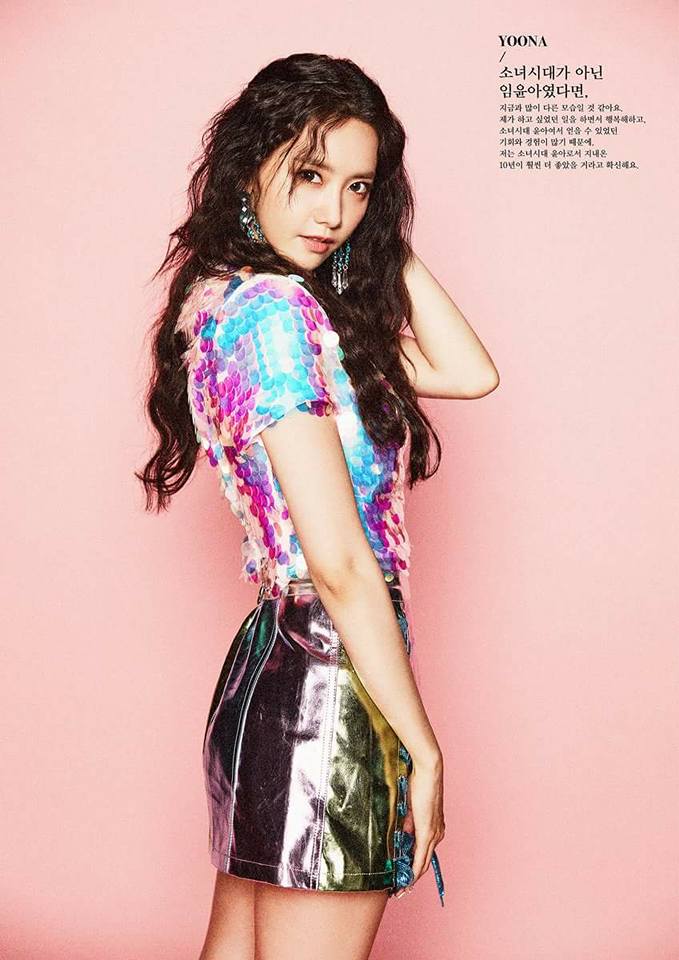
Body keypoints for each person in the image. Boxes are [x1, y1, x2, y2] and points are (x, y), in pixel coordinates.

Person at [137, 52, 499, 960]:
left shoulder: (233, 304)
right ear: (248, 168)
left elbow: (468, 372)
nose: (332, 211)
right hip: (329, 684)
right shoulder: (275, 316)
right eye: (308, 175)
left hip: (271, 670)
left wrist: (378, 242)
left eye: (358, 186)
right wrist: (423, 747)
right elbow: (337, 561)